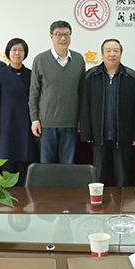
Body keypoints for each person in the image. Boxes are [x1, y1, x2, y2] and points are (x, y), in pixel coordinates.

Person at [80, 39, 135, 186]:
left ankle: (122, 202)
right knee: (99, 176)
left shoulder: (131, 76)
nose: (112, 54)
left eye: (115, 50)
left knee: (123, 177)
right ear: (102, 54)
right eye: (108, 51)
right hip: (99, 136)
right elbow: (85, 106)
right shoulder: (91, 76)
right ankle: (99, 201)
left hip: (123, 136)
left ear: (121, 54)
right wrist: (87, 132)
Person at [29, 20, 86, 164]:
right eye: (58, 34)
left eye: (67, 34)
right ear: (51, 36)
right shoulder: (40, 59)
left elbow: (82, 92)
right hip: (46, 124)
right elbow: (34, 92)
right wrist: (34, 120)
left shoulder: (78, 59)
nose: (63, 38)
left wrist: (81, 119)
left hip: (71, 124)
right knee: (46, 166)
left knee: (67, 166)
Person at [0, 38, 37, 185]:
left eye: (21, 50)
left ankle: (24, 198)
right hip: (6, 127)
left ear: (25, 53)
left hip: (26, 127)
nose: (17, 53)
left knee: (24, 165)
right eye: (14, 50)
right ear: (8, 52)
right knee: (8, 165)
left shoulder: (31, 75)